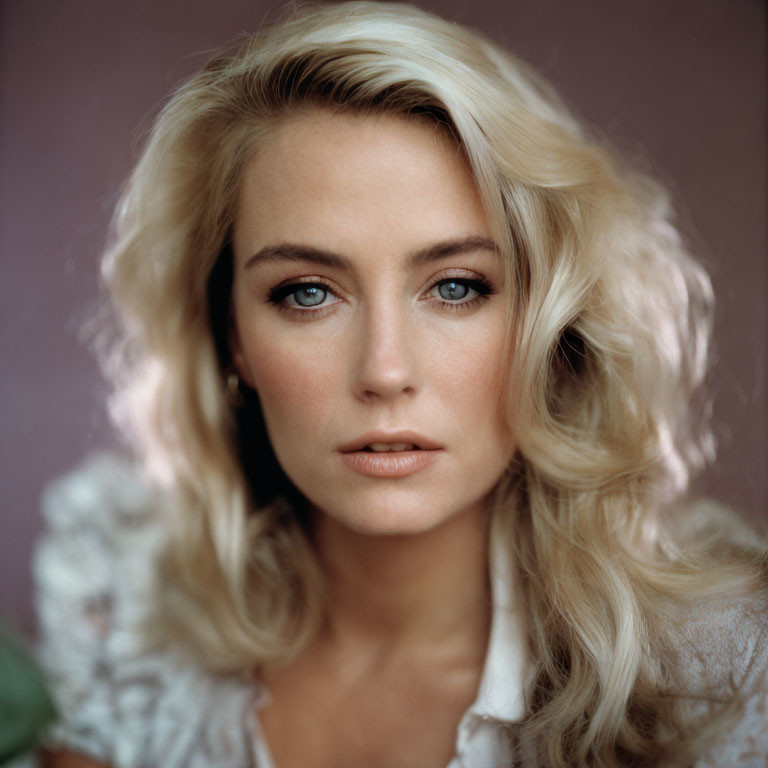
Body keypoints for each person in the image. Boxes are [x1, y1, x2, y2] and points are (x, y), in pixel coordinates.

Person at [34, 2, 767, 767]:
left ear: (550, 320)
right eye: (308, 293)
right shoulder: (125, 613)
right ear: (232, 339)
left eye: (455, 288)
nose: (386, 371)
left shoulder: (720, 674)